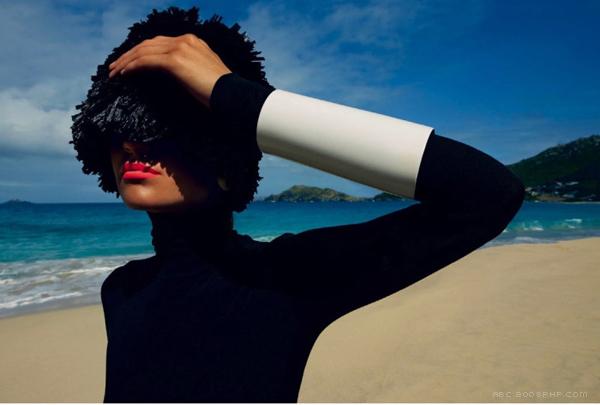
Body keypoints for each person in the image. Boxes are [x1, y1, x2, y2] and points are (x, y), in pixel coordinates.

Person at [70, 6, 525, 403]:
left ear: (225, 149)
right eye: (118, 124)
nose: (131, 143)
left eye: (163, 125)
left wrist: (229, 93)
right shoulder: (122, 289)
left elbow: (488, 193)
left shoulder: (284, 276)